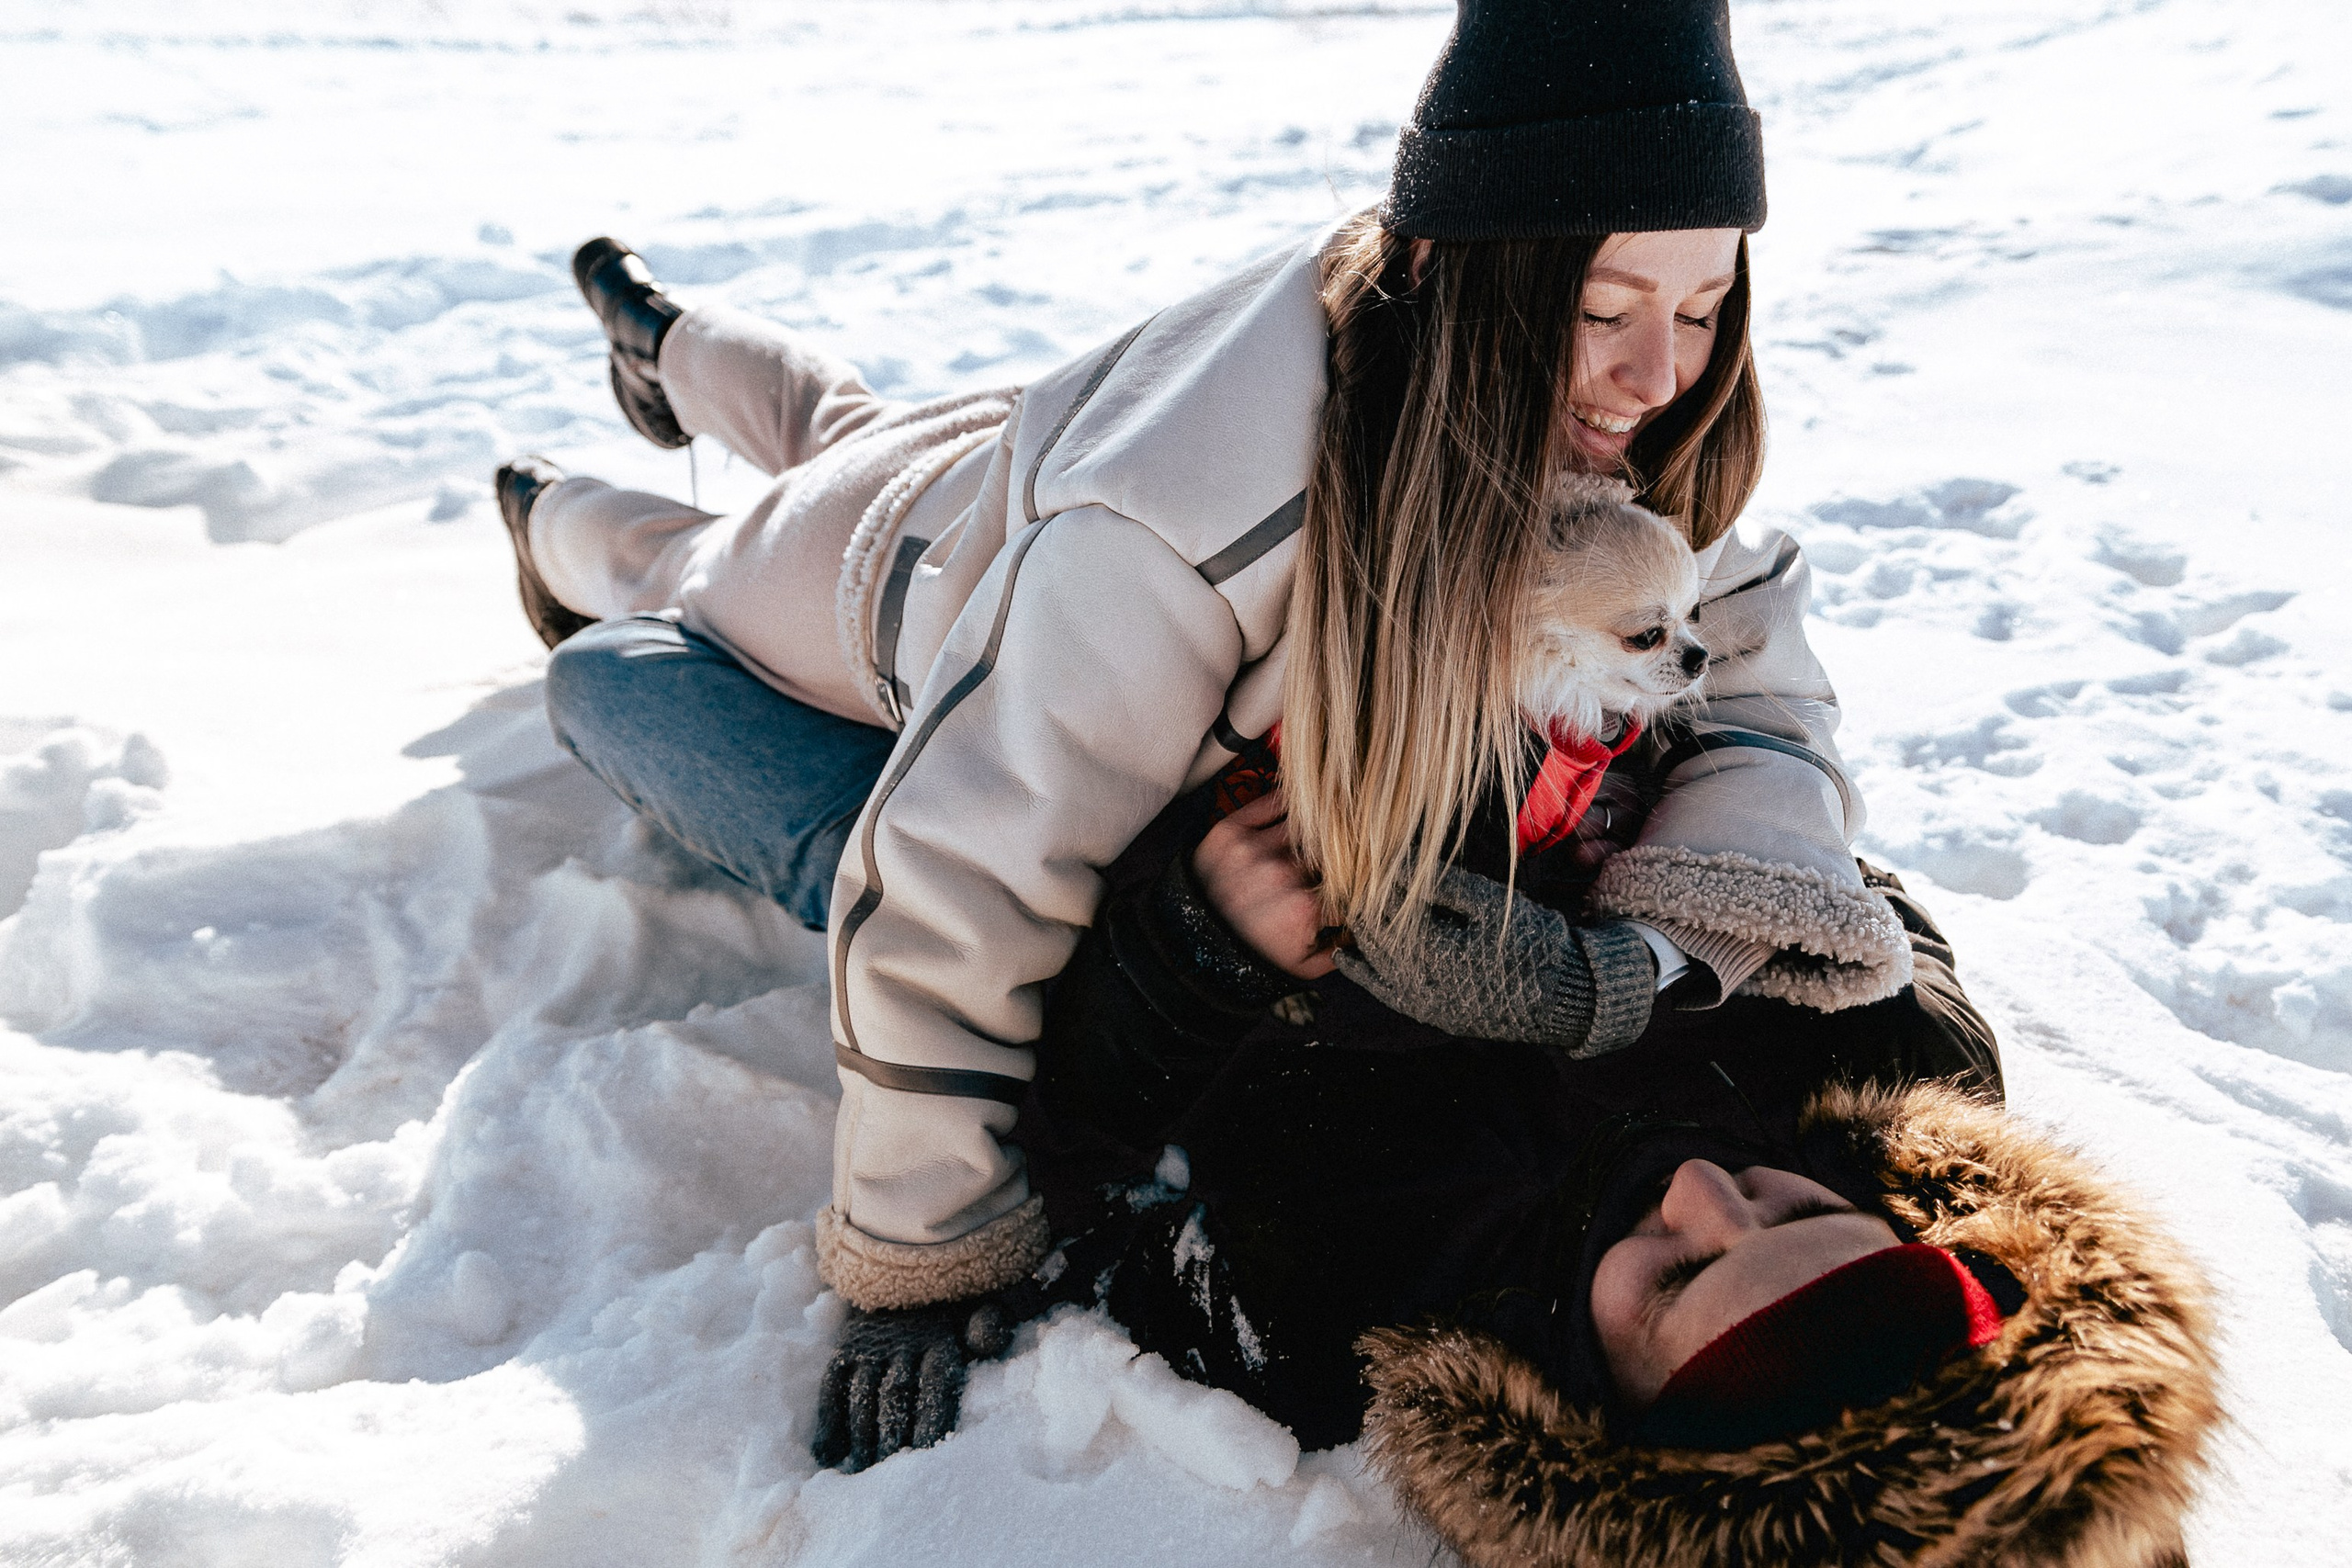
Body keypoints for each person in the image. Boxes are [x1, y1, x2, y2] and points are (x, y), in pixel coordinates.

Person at [498, 0, 1923, 1458]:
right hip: (888, 587)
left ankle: (662, 336)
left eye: (1701, 306)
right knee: (675, 576)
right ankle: (547, 510)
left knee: (842, 417)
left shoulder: (1599, 433)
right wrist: (927, 1247)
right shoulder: (1182, 525)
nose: (1663, 372)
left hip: (1016, 456)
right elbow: (962, 873)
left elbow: (1763, 681)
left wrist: (1678, 932)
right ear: (1443, 267)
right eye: (1604, 308)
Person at [937, 838, 2217, 1567]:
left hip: (1122, 816)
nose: (1701, 1190)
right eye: (1795, 1212)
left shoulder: (1345, 1316)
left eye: (1675, 1277)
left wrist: (1200, 944)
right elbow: (1855, 882)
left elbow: (1073, 1158)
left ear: (1614, 1417)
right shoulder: (1896, 1076)